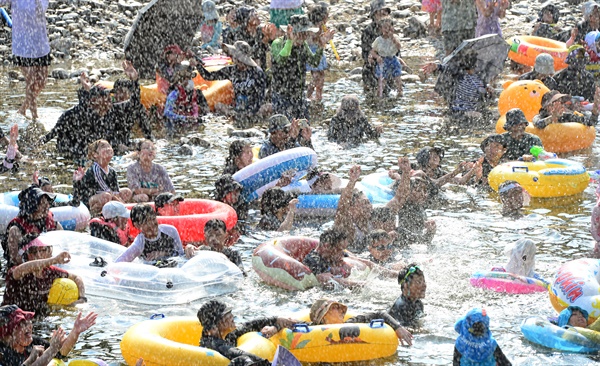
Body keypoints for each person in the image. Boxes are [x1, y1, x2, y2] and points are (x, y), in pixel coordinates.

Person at [40, 61, 144, 164]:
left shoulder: (112, 111)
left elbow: (134, 103)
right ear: (95, 100)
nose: (109, 100)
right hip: (72, 154)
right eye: (105, 97)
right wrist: (34, 149)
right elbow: (50, 135)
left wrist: (134, 80)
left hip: (97, 153)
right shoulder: (72, 115)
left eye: (109, 97)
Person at [270, 14, 334, 120]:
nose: (304, 37)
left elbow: (314, 63)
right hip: (282, 95)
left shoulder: (303, 45)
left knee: (304, 127)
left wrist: (321, 45)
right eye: (302, 34)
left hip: (299, 95)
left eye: (306, 34)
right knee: (285, 128)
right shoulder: (277, 43)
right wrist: (290, 42)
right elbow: (281, 61)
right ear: (292, 32)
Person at [197, 299, 296, 365]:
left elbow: (248, 326)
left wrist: (276, 321)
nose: (231, 315)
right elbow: (238, 354)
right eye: (226, 314)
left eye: (229, 312)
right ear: (214, 327)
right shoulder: (212, 343)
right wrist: (268, 364)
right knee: (241, 361)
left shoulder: (226, 336)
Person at [2, 238, 86, 314]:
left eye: (46, 249)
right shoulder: (16, 271)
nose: (48, 252)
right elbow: (21, 269)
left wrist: (82, 299)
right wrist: (53, 260)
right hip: (11, 319)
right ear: (29, 255)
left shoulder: (50, 271)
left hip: (37, 318)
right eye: (43, 250)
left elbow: (76, 278)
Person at [195, 41, 267, 127]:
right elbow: (209, 76)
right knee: (218, 105)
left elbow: (260, 97)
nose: (232, 58)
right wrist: (197, 64)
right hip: (238, 109)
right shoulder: (232, 70)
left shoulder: (257, 73)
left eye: (234, 56)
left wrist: (249, 113)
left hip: (254, 110)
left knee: (266, 108)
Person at [1, 0, 51, 120]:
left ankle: (23, 109)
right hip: (22, 46)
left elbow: (40, 11)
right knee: (30, 81)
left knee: (42, 82)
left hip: (40, 45)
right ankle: (35, 117)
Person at [0, 305, 97, 366]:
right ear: (7, 335)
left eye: (27, 321)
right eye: (21, 324)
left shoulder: (33, 341)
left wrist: (75, 331)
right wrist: (52, 349)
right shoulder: (2, 353)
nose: (28, 326)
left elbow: (61, 352)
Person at [308, 299, 413, 346]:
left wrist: (397, 327)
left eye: (341, 308)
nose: (341, 310)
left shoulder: (350, 323)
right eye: (335, 308)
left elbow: (379, 314)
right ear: (323, 316)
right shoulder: (310, 331)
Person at [3, 187, 62, 269]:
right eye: (42, 204)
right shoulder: (16, 230)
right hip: (23, 269)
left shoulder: (52, 224)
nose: (47, 206)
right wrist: (40, 265)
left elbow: (63, 245)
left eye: (47, 203)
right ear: (32, 207)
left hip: (47, 265)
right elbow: (15, 260)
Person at [73, 140, 132, 215]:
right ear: (95, 154)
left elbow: (115, 192)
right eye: (103, 147)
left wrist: (121, 203)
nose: (108, 148)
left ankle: (116, 211)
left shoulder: (112, 171)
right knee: (106, 196)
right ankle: (96, 214)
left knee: (127, 192)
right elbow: (108, 192)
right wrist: (125, 208)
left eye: (109, 146)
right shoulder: (95, 169)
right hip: (90, 200)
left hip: (107, 196)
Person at [115, 204, 184, 263]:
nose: (151, 225)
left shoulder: (170, 231)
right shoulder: (140, 243)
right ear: (137, 225)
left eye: (153, 219)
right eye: (146, 222)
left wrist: (163, 253)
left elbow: (181, 254)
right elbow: (121, 260)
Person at [163, 63, 210, 131]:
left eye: (190, 78)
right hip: (176, 125)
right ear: (180, 80)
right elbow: (167, 112)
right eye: (187, 78)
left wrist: (195, 117)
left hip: (190, 123)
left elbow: (199, 108)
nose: (190, 81)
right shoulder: (174, 93)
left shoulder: (195, 93)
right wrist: (184, 118)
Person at [361, 0, 392, 97]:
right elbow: (365, 52)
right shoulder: (368, 31)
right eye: (380, 13)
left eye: (385, 13)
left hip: (388, 65)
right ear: (374, 15)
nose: (383, 15)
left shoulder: (390, 29)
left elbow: (396, 50)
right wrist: (375, 59)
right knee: (371, 95)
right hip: (372, 66)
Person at [369, 18, 404, 98]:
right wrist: (377, 57)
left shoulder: (395, 37)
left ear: (392, 28)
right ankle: (379, 94)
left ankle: (400, 92)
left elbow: (399, 47)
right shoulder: (378, 40)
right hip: (383, 60)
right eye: (385, 27)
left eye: (389, 27)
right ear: (381, 29)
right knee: (382, 79)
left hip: (393, 59)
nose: (387, 30)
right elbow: (372, 51)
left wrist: (393, 38)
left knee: (397, 77)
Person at [533, 89, 600, 129]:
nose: (561, 105)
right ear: (547, 106)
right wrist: (552, 117)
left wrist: (595, 108)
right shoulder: (540, 116)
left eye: (561, 102)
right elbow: (537, 124)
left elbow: (590, 122)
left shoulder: (565, 116)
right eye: (556, 103)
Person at [306, 2, 330, 103]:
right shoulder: (312, 27)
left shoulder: (320, 26)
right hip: (313, 52)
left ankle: (319, 95)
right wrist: (323, 36)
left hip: (318, 51)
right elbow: (315, 39)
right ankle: (308, 94)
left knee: (321, 75)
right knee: (316, 76)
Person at [389, 264, 426, 329]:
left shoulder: (418, 303)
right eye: (419, 282)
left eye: (424, 281)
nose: (424, 285)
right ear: (406, 286)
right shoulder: (401, 307)